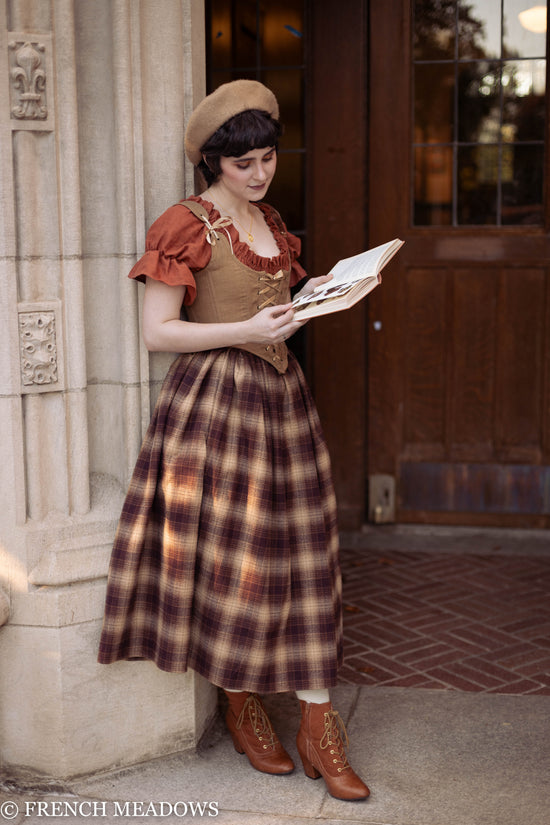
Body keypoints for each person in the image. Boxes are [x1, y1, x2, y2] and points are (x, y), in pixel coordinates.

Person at [97, 80, 369, 801]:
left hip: (282, 403)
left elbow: (270, 308)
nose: (259, 173)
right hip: (215, 409)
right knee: (236, 561)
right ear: (214, 162)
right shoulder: (186, 224)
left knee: (308, 554)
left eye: (268, 159)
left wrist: (309, 305)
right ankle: (241, 700)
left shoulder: (272, 221)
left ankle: (317, 721)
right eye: (243, 162)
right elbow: (158, 333)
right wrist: (247, 330)